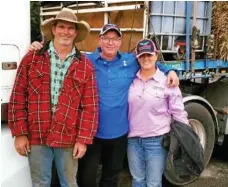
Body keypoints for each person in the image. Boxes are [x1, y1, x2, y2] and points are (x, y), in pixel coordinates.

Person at [29, 24, 179, 187]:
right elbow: (61, 55)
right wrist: (38, 47)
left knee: (110, 178)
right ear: (100, 40)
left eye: (115, 39)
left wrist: (170, 70)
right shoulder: (86, 60)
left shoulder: (130, 61)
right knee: (86, 177)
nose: (110, 42)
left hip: (119, 134)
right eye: (106, 38)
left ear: (120, 42)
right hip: (91, 134)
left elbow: (150, 62)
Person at [8, 8, 98, 187]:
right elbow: (18, 96)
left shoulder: (85, 66)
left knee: (69, 184)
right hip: (37, 134)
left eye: (70, 28)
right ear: (54, 29)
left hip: (68, 137)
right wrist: (19, 133)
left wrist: (83, 139)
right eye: (62, 27)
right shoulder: (32, 58)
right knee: (40, 183)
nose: (66, 32)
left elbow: (90, 107)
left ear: (76, 32)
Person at [127, 39, 189, 187]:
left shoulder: (167, 81)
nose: (146, 58)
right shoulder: (131, 79)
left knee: (153, 183)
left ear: (156, 55)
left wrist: (188, 137)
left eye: (149, 54)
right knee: (137, 179)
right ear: (137, 57)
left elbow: (178, 111)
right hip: (133, 141)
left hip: (156, 141)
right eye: (142, 55)